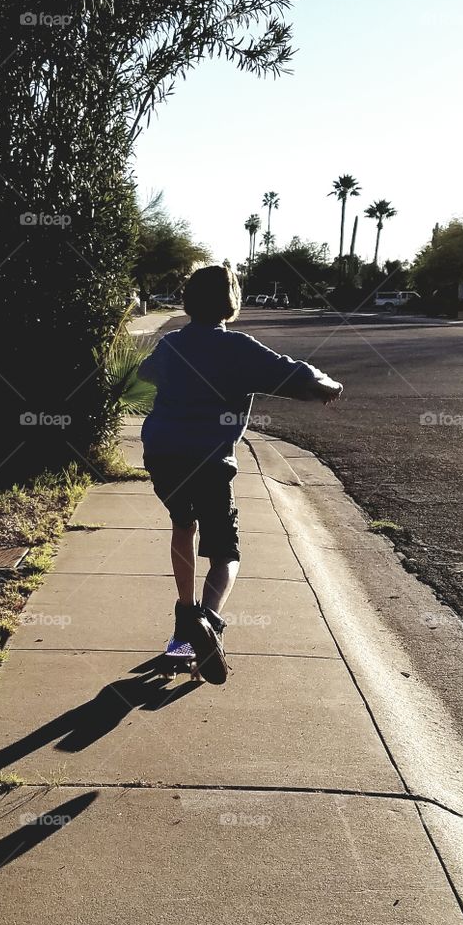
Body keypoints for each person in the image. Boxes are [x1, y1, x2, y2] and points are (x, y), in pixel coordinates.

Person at [138, 264, 343, 684]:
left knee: (183, 524)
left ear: (188, 301)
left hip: (162, 452)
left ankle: (185, 625)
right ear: (230, 301)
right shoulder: (239, 349)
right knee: (225, 551)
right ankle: (209, 621)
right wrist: (328, 385)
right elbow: (296, 374)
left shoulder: (171, 344)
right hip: (209, 459)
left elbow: (146, 373)